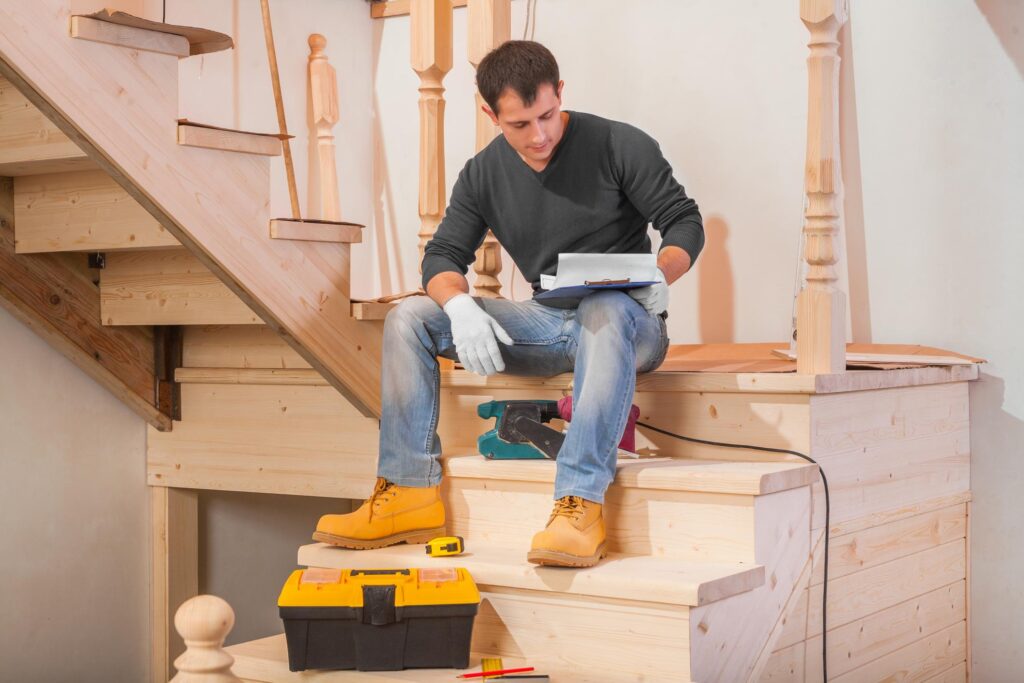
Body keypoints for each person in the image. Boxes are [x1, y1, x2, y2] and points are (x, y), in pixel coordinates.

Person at [313, 40, 703, 568]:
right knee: (411, 317)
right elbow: (444, 255)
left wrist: (664, 272)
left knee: (605, 309)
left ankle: (580, 503)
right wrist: (458, 306)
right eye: (520, 124)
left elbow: (682, 220)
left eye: (547, 115)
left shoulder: (618, 144)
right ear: (490, 114)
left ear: (560, 93)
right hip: (550, 322)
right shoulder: (482, 174)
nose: (539, 135)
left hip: (629, 321)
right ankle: (409, 493)